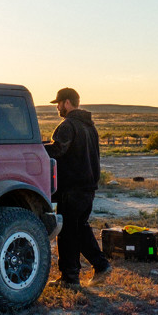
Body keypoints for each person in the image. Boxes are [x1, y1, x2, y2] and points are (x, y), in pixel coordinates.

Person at [45, 87, 112, 287]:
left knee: (67, 233)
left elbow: (57, 149)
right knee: (78, 230)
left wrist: (35, 148)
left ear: (67, 102)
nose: (57, 107)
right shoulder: (89, 127)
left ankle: (71, 277)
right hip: (88, 188)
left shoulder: (68, 125)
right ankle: (97, 268)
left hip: (71, 189)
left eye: (58, 103)